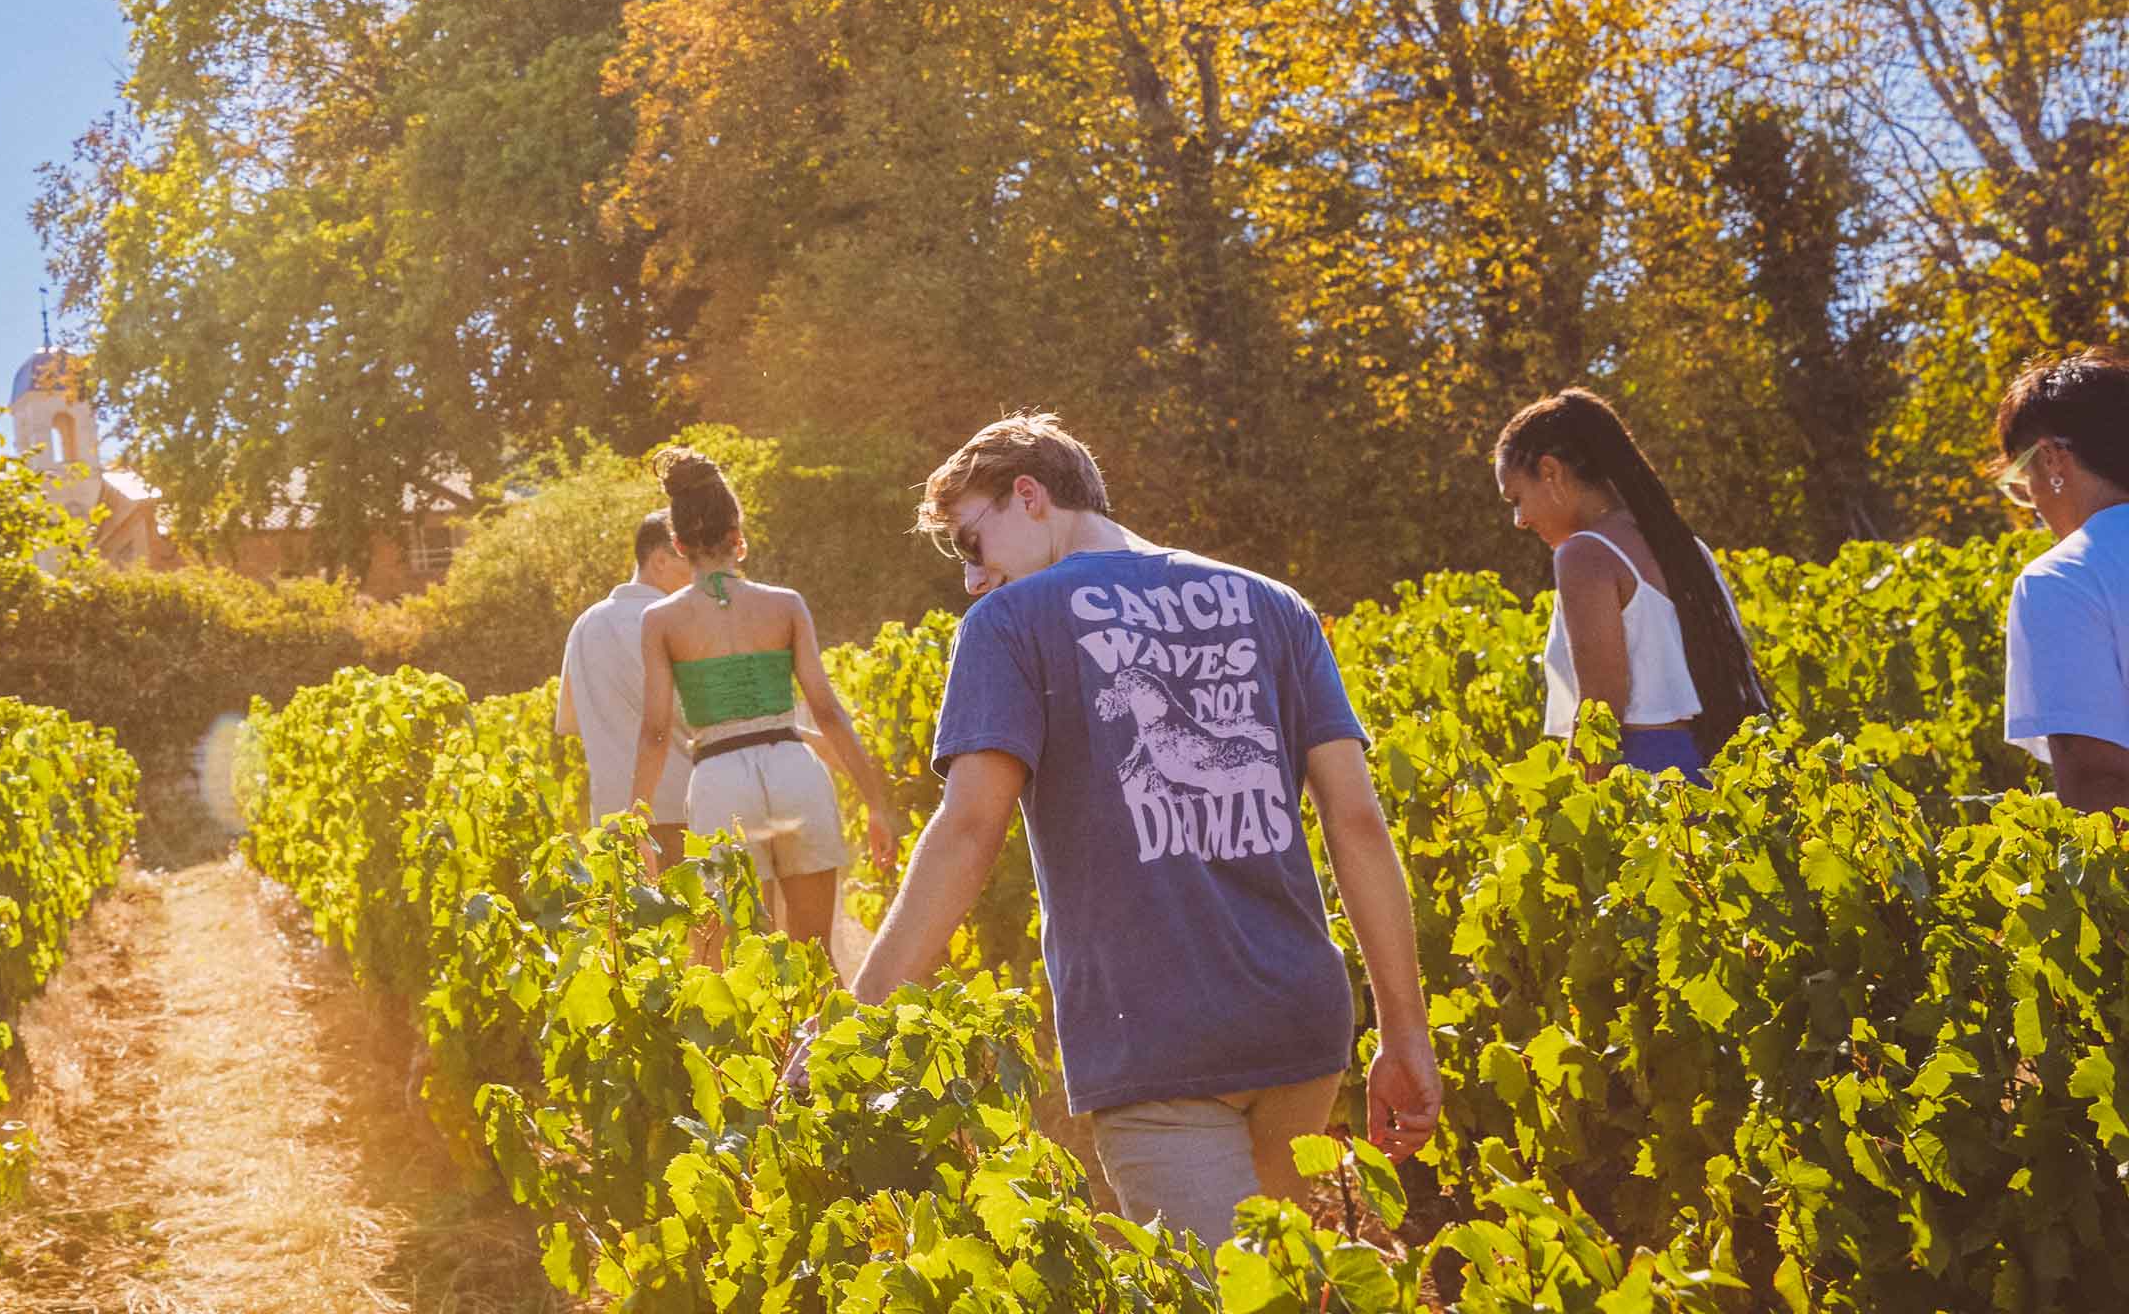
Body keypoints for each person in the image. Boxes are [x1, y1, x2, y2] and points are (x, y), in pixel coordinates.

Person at [848, 413, 1442, 1249]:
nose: (973, 580)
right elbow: (1357, 823)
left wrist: (860, 1017)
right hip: (1301, 1023)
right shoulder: (1276, 606)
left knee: (1221, 1294)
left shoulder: (1012, 626)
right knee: (1309, 1278)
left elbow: (968, 830)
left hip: (1152, 1034)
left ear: (1031, 496)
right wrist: (1404, 1030)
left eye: (972, 545)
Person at [624, 446, 903, 955]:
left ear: (681, 546)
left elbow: (656, 731)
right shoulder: (786, 605)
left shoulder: (660, 621)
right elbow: (826, 710)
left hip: (719, 785)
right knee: (815, 960)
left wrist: (635, 819)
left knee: (748, 968)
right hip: (795, 771)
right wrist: (875, 803)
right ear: (739, 540)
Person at [1491, 388, 1770, 775]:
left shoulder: (1584, 555)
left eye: (1517, 498)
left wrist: (1581, 812)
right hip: (1719, 768)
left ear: (1551, 472)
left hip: (1644, 773)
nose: (1519, 520)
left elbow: (1600, 713)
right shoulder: (1686, 545)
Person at [1996, 347, 2129, 816]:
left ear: (2052, 460)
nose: (2028, 502)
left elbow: (2097, 786)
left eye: (2021, 478)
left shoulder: (2061, 579)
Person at [559, 507, 696, 859]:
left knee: (633, 915)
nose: (698, 574)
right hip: (682, 813)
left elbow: (570, 723)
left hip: (612, 823)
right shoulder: (676, 621)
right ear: (660, 560)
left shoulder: (584, 625)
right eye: (690, 561)